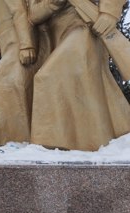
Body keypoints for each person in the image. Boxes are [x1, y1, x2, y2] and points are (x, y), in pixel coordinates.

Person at [27, 0, 130, 151]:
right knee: (81, 86)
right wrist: (53, 4)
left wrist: (109, 12)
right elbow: (33, 15)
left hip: (85, 28)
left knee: (48, 76)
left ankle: (51, 147)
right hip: (56, 38)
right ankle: (84, 143)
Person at [0, 0, 50, 146]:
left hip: (21, 44)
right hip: (10, 44)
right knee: (9, 91)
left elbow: (19, 10)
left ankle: (13, 142)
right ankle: (11, 141)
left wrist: (26, 45)